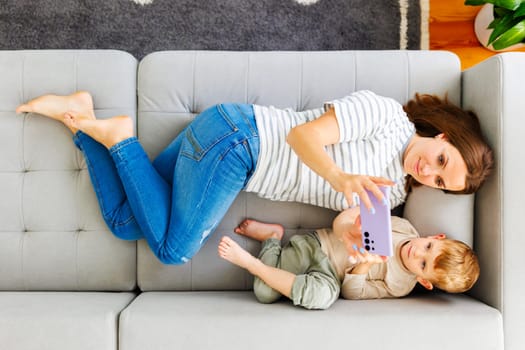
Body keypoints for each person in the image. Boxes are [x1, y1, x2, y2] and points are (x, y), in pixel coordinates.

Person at [15, 90, 493, 264]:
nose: (428, 173)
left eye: (439, 184)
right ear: (444, 136)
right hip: (242, 140)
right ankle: (120, 139)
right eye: (441, 163)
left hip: (226, 150)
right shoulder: (388, 117)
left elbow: (347, 226)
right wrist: (340, 176)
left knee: (124, 223)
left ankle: (81, 120)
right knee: (174, 251)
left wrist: (358, 245)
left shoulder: (386, 201)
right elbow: (304, 136)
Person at [217, 207, 480, 310]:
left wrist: (365, 264)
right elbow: (354, 217)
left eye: (423, 264)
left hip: (330, 277)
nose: (418, 252)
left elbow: (352, 293)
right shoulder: (403, 228)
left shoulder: (401, 285)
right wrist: (358, 225)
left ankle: (258, 257)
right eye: (429, 246)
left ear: (425, 282)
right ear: (436, 236)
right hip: (318, 246)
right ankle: (272, 238)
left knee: (316, 298)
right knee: (264, 291)